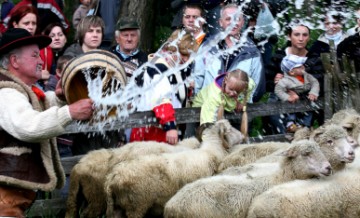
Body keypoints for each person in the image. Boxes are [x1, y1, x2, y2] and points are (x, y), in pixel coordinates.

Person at [0, 28, 93, 217]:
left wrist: (60, 99)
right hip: (4, 194)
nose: (41, 61)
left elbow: (41, 106)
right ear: (14, 61)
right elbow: (28, 126)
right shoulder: (7, 93)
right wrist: (70, 112)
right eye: (35, 55)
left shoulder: (22, 90)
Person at [130, 30, 197, 144]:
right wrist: (170, 126)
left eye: (190, 55)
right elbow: (161, 98)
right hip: (152, 132)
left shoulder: (175, 66)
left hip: (162, 131)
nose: (186, 59)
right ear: (174, 49)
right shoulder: (159, 67)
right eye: (184, 54)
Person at [263, 23, 324, 135]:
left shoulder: (314, 58)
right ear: (289, 36)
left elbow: (319, 82)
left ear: (309, 37)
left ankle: (303, 132)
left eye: (304, 35)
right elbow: (266, 81)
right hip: (280, 98)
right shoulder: (279, 56)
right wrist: (275, 81)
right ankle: (280, 135)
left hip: (305, 100)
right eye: (297, 34)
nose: (301, 39)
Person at [195, 4, 264, 102]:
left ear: (243, 22)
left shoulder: (252, 52)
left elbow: (257, 88)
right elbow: (198, 78)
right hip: (209, 108)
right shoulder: (208, 47)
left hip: (237, 112)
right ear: (220, 22)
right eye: (228, 19)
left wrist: (242, 102)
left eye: (237, 19)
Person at [192, 69, 254, 138]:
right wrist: (209, 141)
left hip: (222, 106)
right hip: (200, 109)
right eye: (231, 89)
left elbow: (251, 86)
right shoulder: (215, 95)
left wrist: (241, 101)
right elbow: (208, 121)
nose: (233, 93)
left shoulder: (246, 83)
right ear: (226, 81)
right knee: (197, 136)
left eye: (238, 91)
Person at [275, 54, 320, 133]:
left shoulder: (307, 76)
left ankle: (305, 125)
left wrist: (313, 92)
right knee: (290, 110)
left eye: (302, 65)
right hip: (293, 100)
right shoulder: (285, 80)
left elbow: (315, 82)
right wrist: (287, 97)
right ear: (292, 72)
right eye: (299, 67)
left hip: (306, 98)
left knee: (309, 110)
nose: (303, 67)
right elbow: (278, 90)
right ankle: (290, 124)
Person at [111, 17, 148, 81]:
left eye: (133, 35)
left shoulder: (145, 60)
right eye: (125, 35)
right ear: (117, 39)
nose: (129, 39)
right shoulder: (108, 56)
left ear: (138, 38)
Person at [3, 0, 69, 33]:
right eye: (26, 23)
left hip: (48, 47)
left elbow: (65, 25)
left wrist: (53, 35)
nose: (31, 27)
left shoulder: (50, 3)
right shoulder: (20, 6)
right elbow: (3, 26)